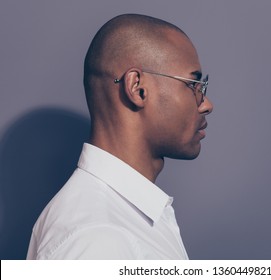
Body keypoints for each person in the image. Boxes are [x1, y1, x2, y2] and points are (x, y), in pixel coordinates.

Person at [26, 14, 213, 260]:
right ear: (137, 88)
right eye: (193, 85)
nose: (206, 104)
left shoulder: (119, 222)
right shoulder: (98, 236)